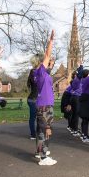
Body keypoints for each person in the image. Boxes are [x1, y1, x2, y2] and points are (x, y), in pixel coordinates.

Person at [32, 30, 57, 166]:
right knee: (45, 130)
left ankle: (39, 152)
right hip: (45, 105)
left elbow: (48, 60)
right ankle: (43, 157)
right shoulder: (41, 71)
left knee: (40, 129)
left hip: (43, 104)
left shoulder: (39, 72)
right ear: (41, 62)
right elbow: (47, 54)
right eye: (45, 61)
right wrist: (51, 41)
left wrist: (50, 62)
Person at [69, 70, 82, 137]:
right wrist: (81, 66)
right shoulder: (77, 80)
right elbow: (81, 73)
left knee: (74, 114)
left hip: (73, 97)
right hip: (76, 97)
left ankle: (73, 128)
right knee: (76, 115)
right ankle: (75, 130)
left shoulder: (73, 81)